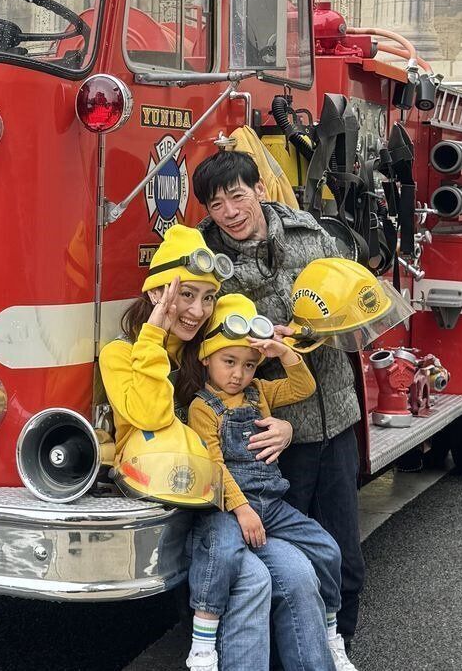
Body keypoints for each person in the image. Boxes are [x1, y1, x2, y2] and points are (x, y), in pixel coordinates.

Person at [99, 224, 335, 671]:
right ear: (156, 292)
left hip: (228, 499)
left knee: (302, 573)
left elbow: (264, 392)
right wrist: (153, 335)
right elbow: (152, 414)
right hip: (180, 506)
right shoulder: (122, 352)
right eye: (186, 295)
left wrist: (284, 428)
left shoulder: (204, 350)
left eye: (208, 297)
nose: (197, 310)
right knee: (253, 580)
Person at [193, 151, 365, 647]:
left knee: (343, 556)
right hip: (264, 441)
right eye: (217, 204)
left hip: (333, 418)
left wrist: (310, 333)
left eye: (237, 196)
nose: (230, 212)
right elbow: (199, 347)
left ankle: (338, 646)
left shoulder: (310, 235)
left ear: (260, 190)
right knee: (278, 563)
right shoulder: (207, 263)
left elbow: (354, 310)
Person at [185, 293, 356, 671]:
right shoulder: (203, 408)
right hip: (230, 508)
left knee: (328, 550)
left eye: (249, 364)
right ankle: (202, 644)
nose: (238, 374)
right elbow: (214, 466)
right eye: (229, 362)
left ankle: (331, 631)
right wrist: (242, 509)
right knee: (222, 555)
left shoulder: (259, 393)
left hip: (273, 506)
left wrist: (284, 353)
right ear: (206, 358)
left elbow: (303, 387)